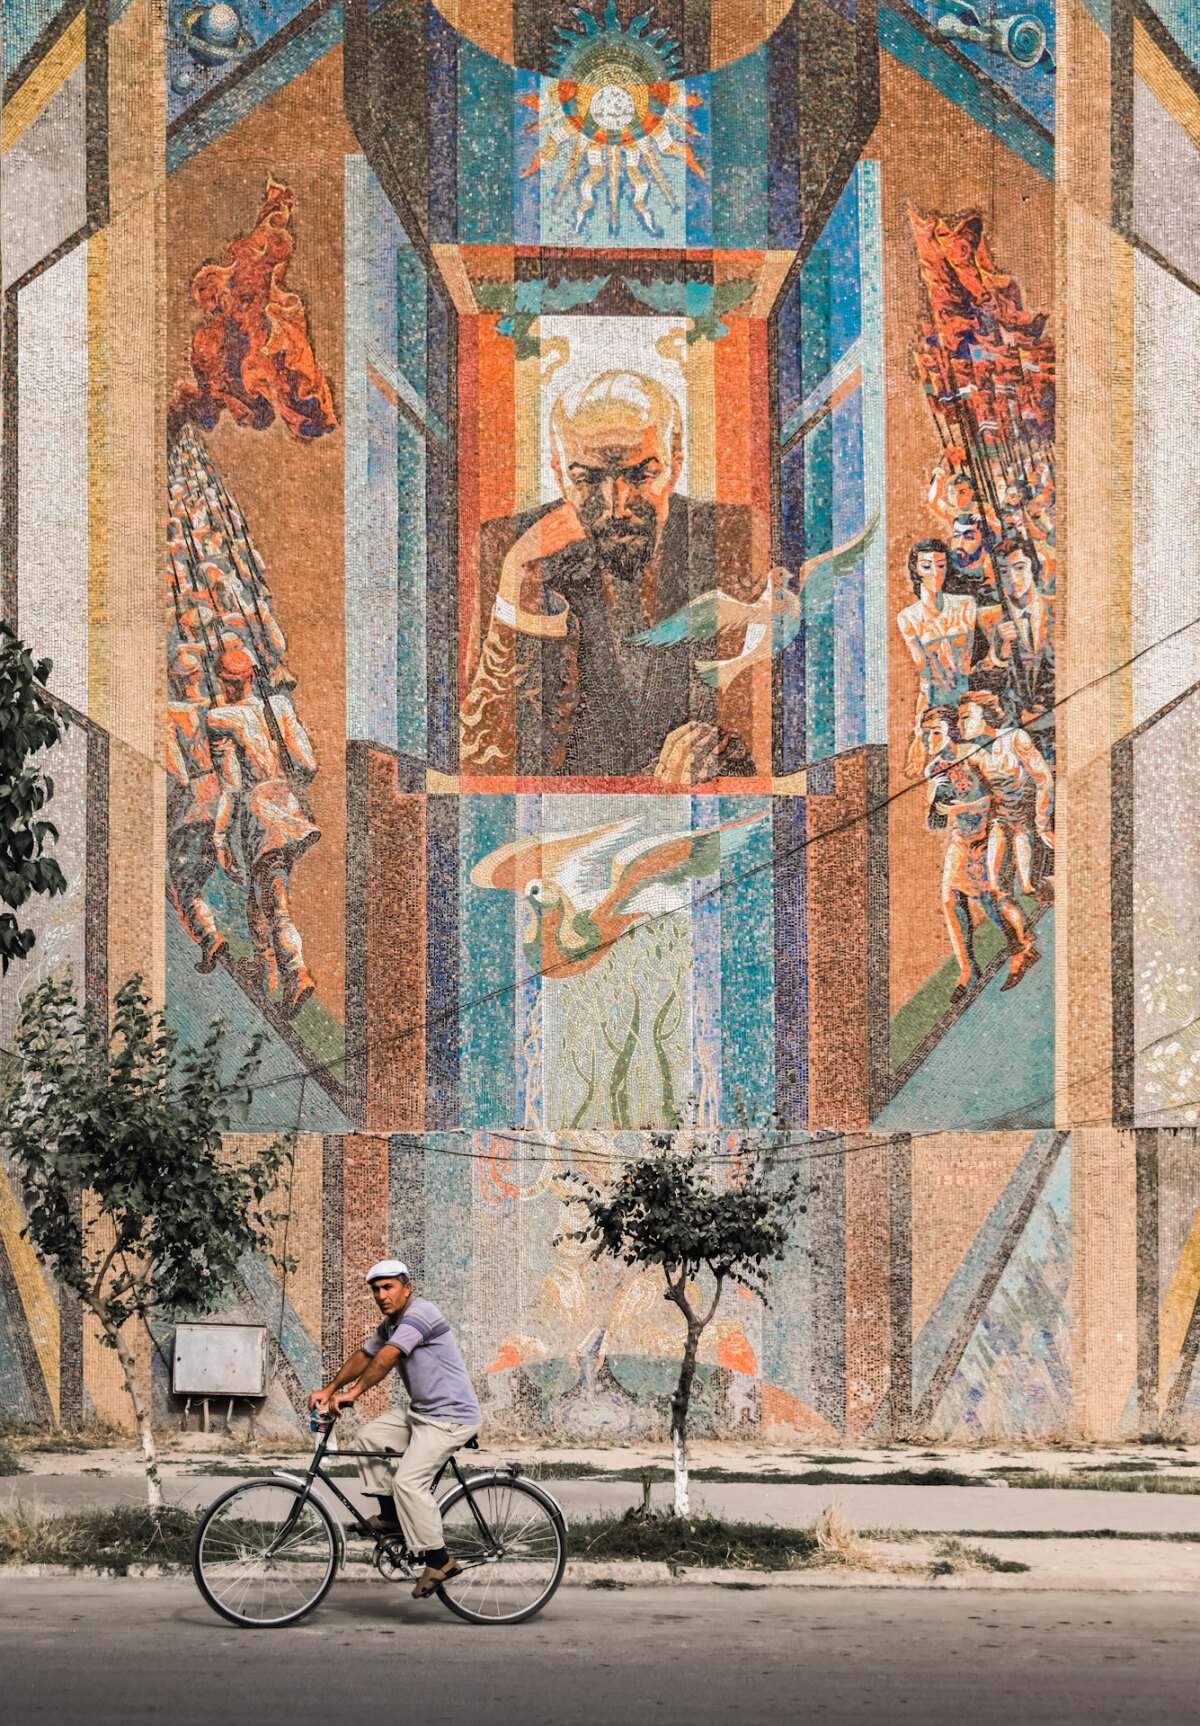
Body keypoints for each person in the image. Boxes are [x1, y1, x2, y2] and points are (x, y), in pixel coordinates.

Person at [461, 369, 763, 780]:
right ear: (558, 473)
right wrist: (520, 584)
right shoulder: (507, 548)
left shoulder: (735, 536)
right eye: (587, 478)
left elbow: (765, 731)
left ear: (676, 462)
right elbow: (486, 767)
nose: (616, 506)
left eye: (641, 475)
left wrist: (721, 754)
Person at [310, 1260, 482, 1601]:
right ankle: (391, 1518)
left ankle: (439, 1560)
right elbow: (365, 1355)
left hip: (450, 1417)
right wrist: (329, 1390)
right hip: (422, 1414)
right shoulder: (392, 1324)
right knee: (369, 1437)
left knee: (408, 1482)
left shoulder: (421, 1314)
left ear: (407, 1288)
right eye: (376, 1289)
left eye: (388, 1287)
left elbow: (387, 1357)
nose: (381, 1295)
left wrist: (353, 1394)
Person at [207, 644, 320, 1014]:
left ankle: (296, 972)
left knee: (276, 902)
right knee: (259, 897)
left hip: (259, 814)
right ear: (252, 676)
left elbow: (231, 787)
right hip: (289, 806)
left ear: (222, 681)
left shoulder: (220, 718)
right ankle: (266, 969)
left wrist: (220, 838)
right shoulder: (279, 706)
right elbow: (307, 763)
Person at [920, 705, 1037, 1000]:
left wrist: (959, 807)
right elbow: (935, 819)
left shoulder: (975, 754)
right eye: (926, 734)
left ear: (952, 731)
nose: (930, 739)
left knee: (990, 898)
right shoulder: (934, 769)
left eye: (936, 732)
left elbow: (996, 798)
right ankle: (968, 970)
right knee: (950, 898)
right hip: (963, 837)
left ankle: (1022, 945)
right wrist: (936, 797)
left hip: (990, 832)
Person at [958, 689, 1054, 981]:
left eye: (967, 717)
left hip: (1026, 820)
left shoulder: (1015, 738)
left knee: (1028, 887)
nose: (962, 724)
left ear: (985, 715)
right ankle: (1024, 946)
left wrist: (1042, 822)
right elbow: (986, 797)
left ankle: (1059, 888)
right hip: (1000, 822)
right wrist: (982, 833)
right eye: (960, 719)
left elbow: (1044, 779)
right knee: (998, 890)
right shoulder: (973, 756)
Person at [166, 642, 229, 973]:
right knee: (200, 875)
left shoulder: (170, 714)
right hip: (221, 803)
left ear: (173, 679)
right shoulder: (216, 710)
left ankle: (209, 938)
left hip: (193, 808)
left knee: (185, 885)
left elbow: (177, 772)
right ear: (198, 675)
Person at [897, 539, 977, 774]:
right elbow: (925, 676)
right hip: (938, 701)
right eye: (926, 566)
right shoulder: (909, 617)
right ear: (916, 569)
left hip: (968, 694)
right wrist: (918, 732)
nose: (935, 572)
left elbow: (970, 659)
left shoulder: (965, 605)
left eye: (941, 565)